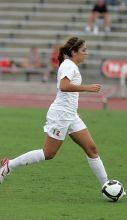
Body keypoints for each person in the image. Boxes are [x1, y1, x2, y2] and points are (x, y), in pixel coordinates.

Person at [0, 36, 108, 190]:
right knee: (48, 153)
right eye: (84, 50)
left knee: (91, 149)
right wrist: (87, 88)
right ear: (74, 52)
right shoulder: (68, 66)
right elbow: (63, 86)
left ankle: (107, 185)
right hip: (61, 115)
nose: (86, 53)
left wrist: (74, 111)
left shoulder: (70, 65)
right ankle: (9, 165)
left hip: (70, 115)